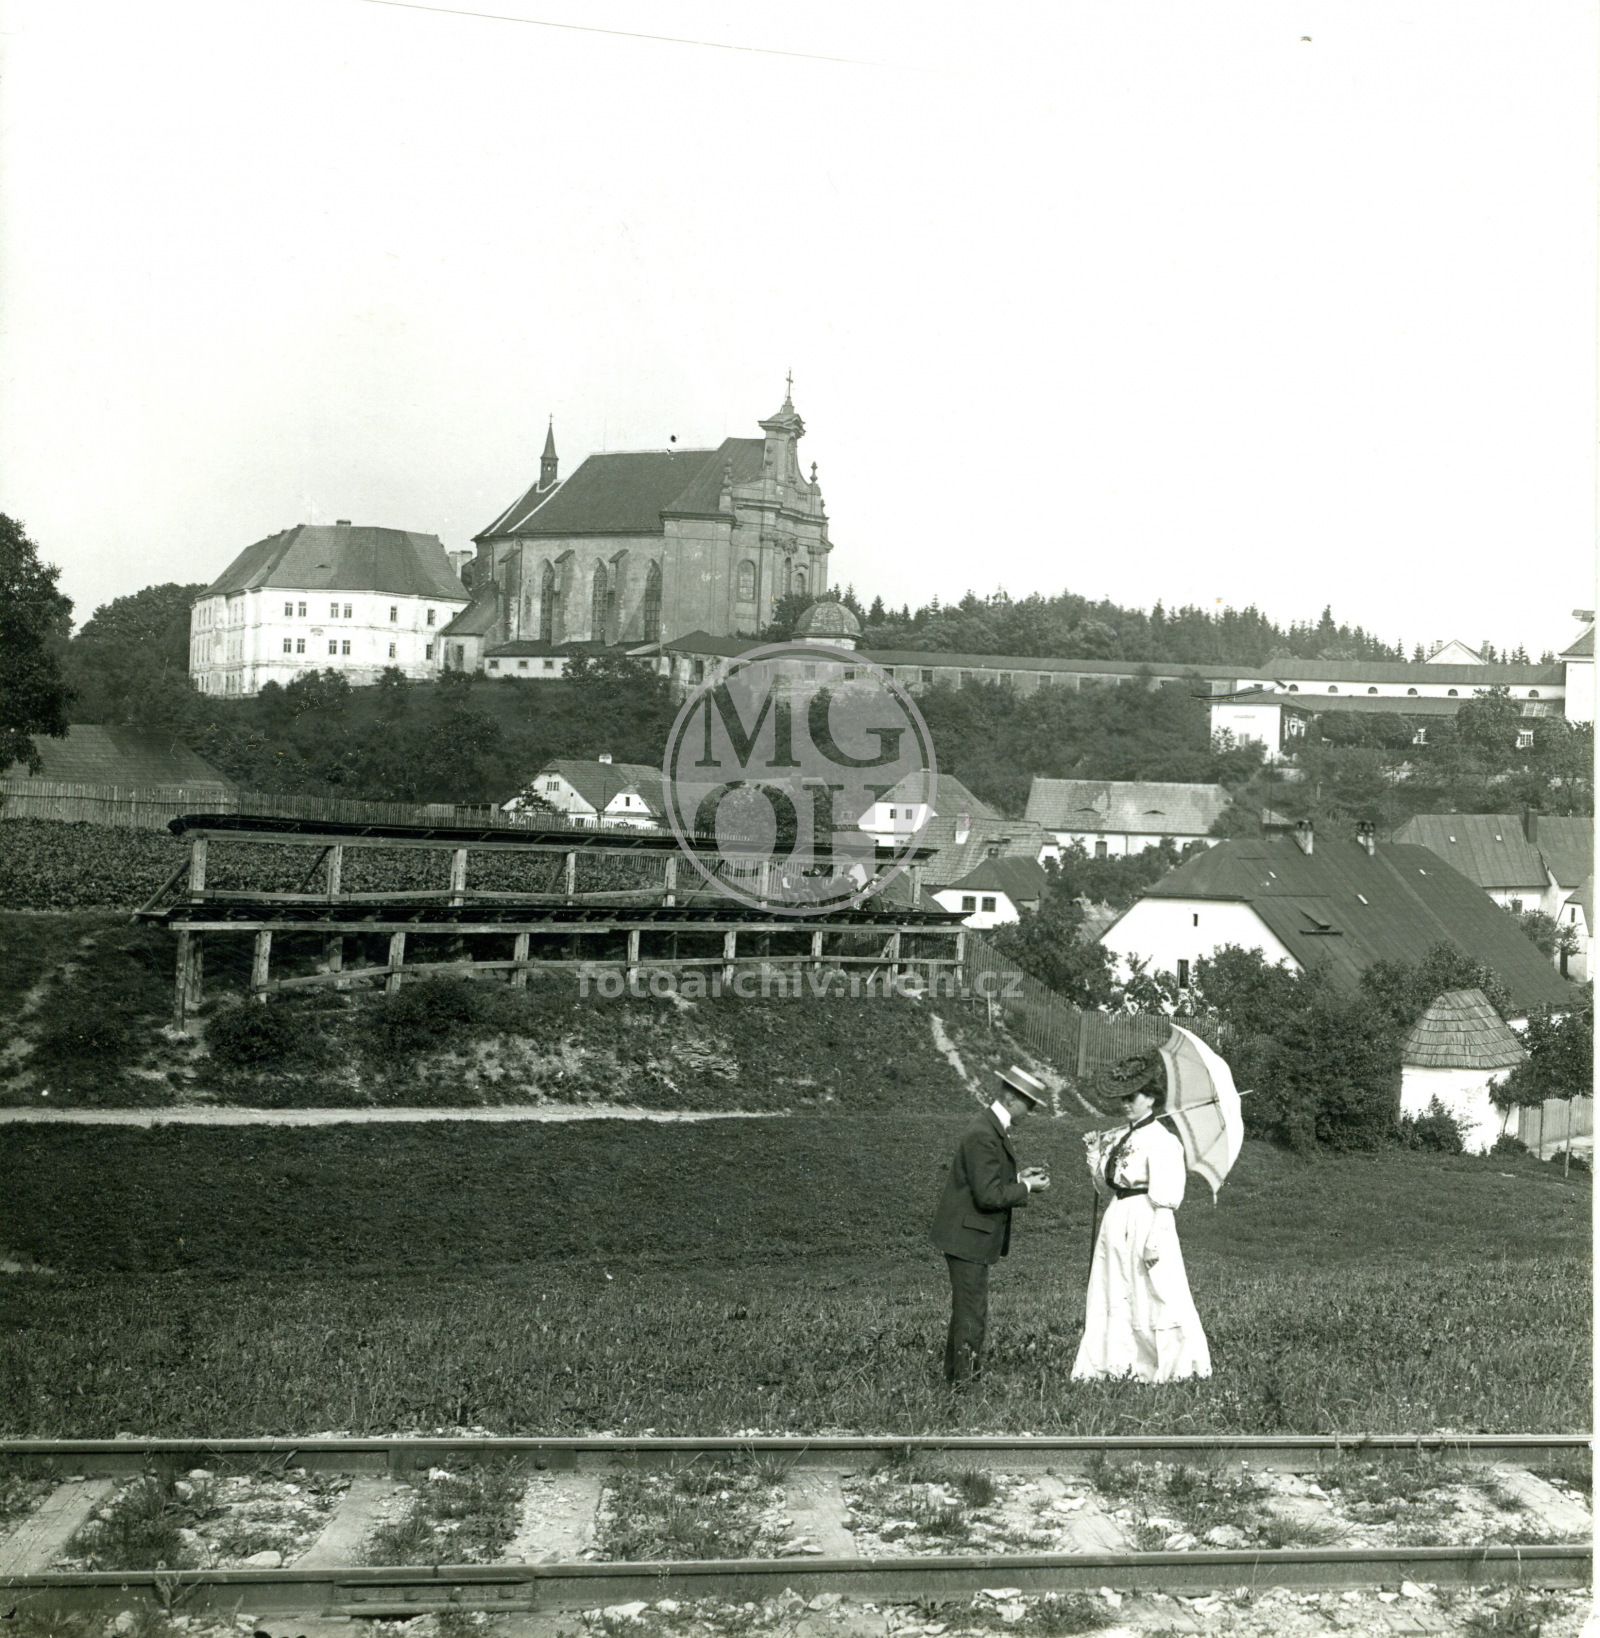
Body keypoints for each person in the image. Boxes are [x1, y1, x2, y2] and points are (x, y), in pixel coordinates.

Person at [1072, 1053, 1210, 1383]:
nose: (1125, 1104)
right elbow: (1107, 1187)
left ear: (1150, 1098)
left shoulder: (1163, 1141)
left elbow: (1167, 1199)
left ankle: (1173, 1367)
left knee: (1156, 1293)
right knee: (1115, 1289)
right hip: (1117, 1218)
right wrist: (1094, 1153)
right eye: (1123, 1098)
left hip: (1146, 1221)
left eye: (1131, 1097)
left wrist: (1154, 1242)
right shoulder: (1121, 1136)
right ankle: (1117, 1366)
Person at [930, 1065, 1051, 1384]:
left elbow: (984, 1182)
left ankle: (954, 1382)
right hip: (968, 1237)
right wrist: (1027, 1188)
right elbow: (987, 1196)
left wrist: (1016, 1177)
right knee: (973, 1317)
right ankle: (966, 1390)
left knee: (965, 1315)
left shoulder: (988, 1126)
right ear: (1012, 1098)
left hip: (964, 1235)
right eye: (1031, 1104)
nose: (1031, 1111)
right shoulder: (985, 1133)